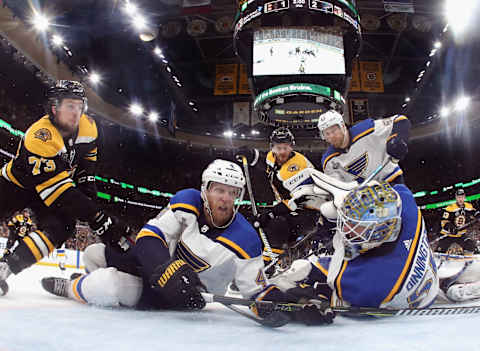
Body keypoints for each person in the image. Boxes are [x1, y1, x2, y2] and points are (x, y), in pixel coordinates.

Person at [41, 159, 334, 325]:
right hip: (158, 267)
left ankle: (74, 287)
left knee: (110, 285)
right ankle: (96, 287)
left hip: (187, 295)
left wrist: (289, 308)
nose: (225, 198)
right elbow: (149, 237)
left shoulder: (247, 239)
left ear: (239, 196)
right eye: (219, 190)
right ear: (205, 190)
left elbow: (255, 293)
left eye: (232, 192)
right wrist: (164, 268)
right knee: (93, 253)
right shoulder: (187, 202)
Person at [0, 80, 130, 296]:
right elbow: (60, 192)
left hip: (51, 186)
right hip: (18, 184)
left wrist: (92, 200)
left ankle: (6, 268)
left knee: (62, 226)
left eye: (80, 106)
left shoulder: (89, 128)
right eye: (70, 106)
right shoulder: (40, 135)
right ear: (54, 107)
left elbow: (85, 169)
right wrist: (98, 217)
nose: (76, 112)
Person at [271, 181, 440, 309]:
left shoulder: (368, 283)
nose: (345, 227)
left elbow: (335, 287)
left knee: (303, 269)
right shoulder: (405, 205)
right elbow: (390, 191)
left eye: (354, 224)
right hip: (420, 279)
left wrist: (306, 293)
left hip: (390, 296)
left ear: (377, 231)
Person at [318, 110, 411, 185]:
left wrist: (396, 139)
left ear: (342, 126)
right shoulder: (328, 160)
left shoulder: (366, 129)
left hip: (390, 182)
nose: (331, 137)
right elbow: (338, 187)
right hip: (362, 200)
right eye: (326, 134)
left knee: (406, 202)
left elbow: (400, 120)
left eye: (334, 131)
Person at [436, 189, 479, 254]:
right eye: (458, 197)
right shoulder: (450, 208)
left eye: (462, 197)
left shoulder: (468, 206)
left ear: (464, 197)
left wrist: (478, 215)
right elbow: (443, 222)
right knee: (439, 252)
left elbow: (474, 212)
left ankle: (470, 262)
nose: (460, 199)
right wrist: (450, 228)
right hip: (448, 235)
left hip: (460, 235)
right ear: (456, 198)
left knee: (473, 248)